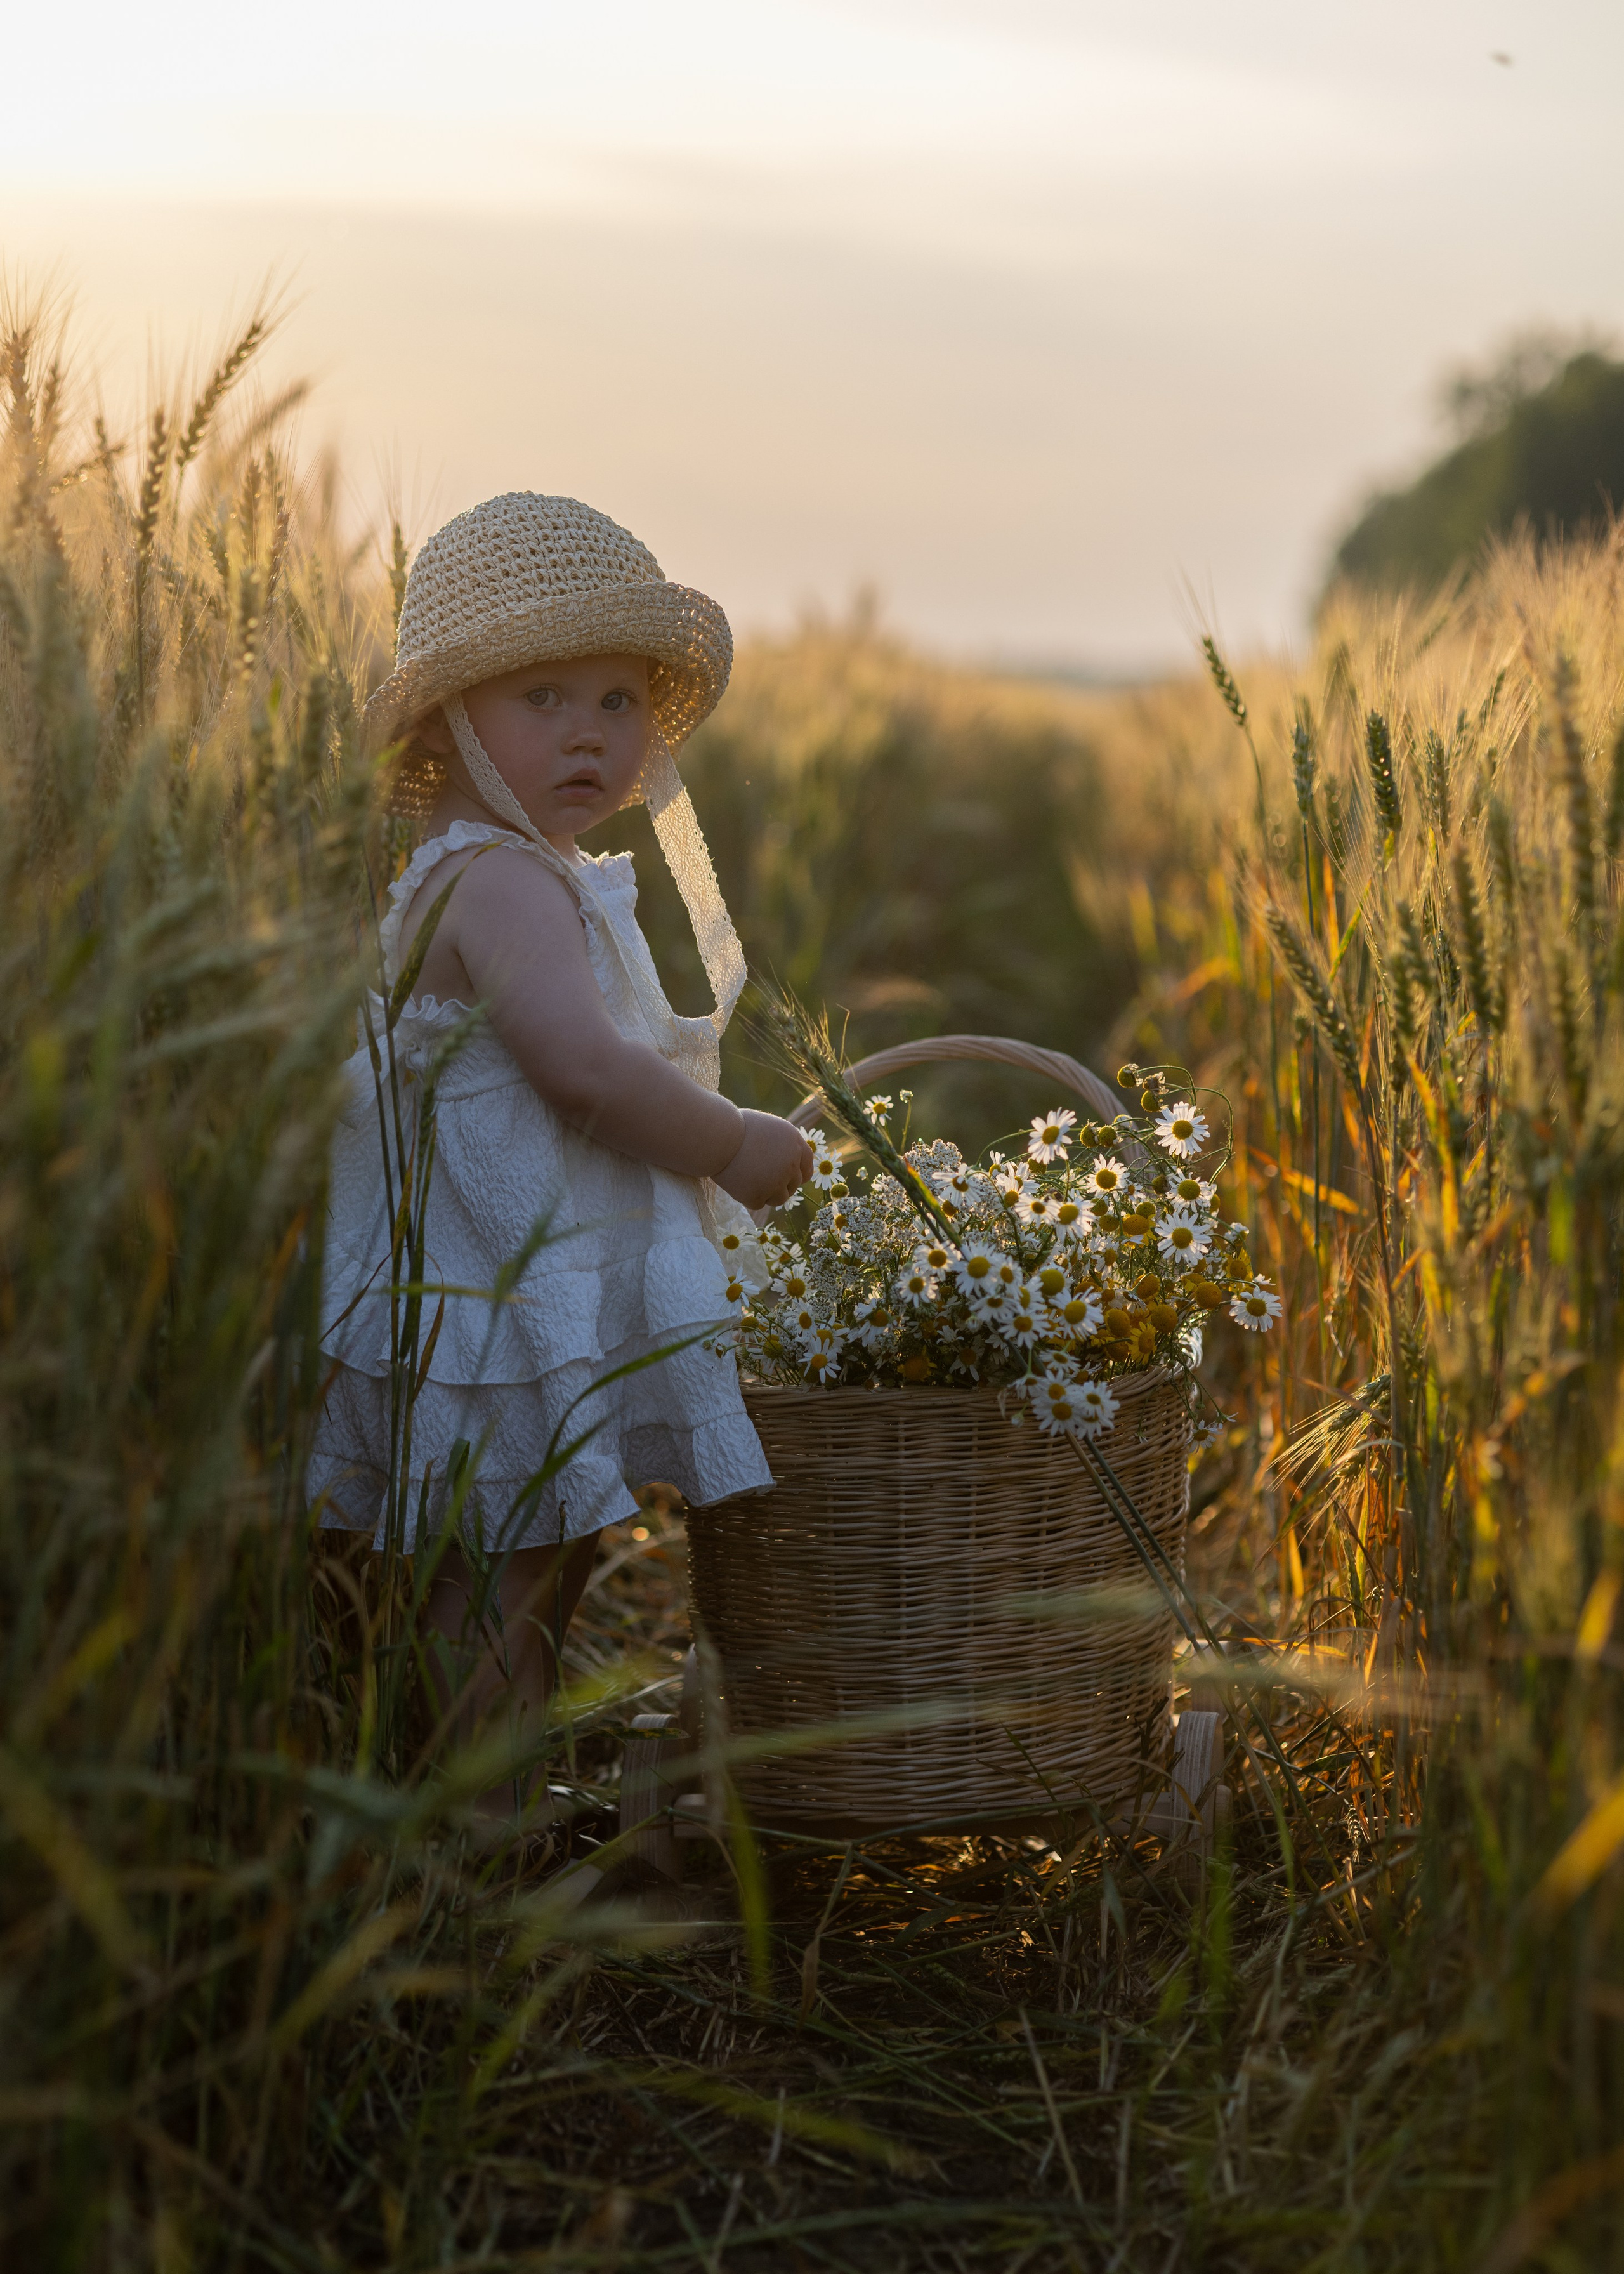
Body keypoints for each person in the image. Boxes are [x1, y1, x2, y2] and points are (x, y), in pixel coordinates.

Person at [308, 493, 811, 1831]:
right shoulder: (500, 884)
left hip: (526, 1281)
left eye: (615, 700)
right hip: (498, 1294)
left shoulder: (525, 869)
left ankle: (495, 1790)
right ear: (448, 724)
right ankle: (479, 1833)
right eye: (543, 697)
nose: (590, 731)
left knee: (538, 1548)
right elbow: (584, 1073)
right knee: (504, 1567)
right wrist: (737, 1145)